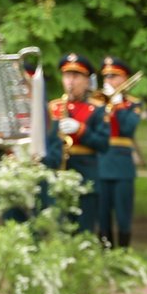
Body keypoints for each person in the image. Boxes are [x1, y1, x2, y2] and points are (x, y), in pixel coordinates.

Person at [49, 52, 109, 231]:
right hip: (58, 175)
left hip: (86, 176)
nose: (70, 82)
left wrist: (81, 129)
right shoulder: (54, 107)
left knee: (85, 228)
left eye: (76, 76)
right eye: (67, 76)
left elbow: (103, 144)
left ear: (86, 81)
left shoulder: (97, 109)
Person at [96, 56, 141, 248]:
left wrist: (118, 104)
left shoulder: (133, 104)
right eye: (106, 77)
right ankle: (105, 257)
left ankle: (123, 256)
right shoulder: (96, 102)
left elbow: (128, 129)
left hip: (122, 167)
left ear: (125, 79)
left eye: (114, 76)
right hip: (100, 164)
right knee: (102, 215)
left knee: (123, 215)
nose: (109, 81)